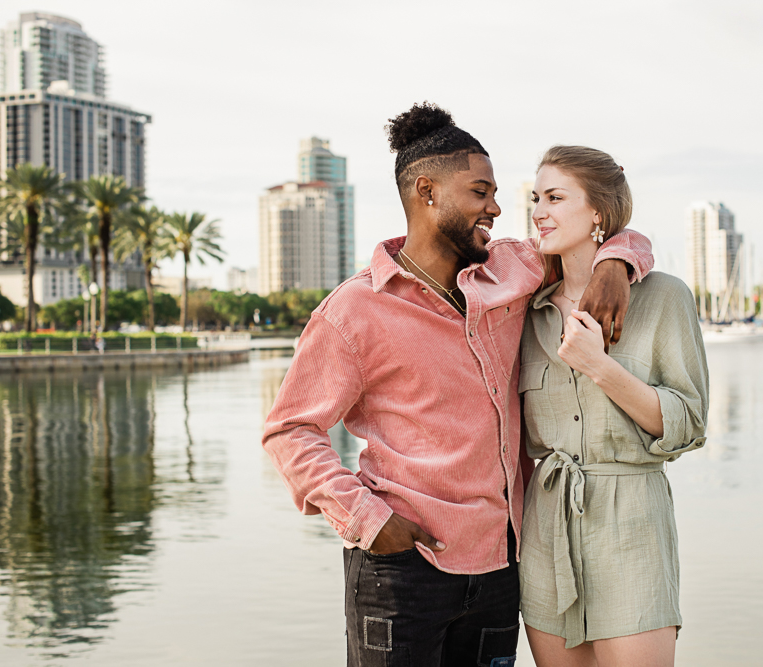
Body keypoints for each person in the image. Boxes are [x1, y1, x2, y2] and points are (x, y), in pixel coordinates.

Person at [262, 104, 654, 666]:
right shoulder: (354, 312)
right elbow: (290, 431)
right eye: (480, 192)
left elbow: (613, 231)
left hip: (501, 570)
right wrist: (369, 521)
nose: (496, 208)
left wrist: (615, 267)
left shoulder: (513, 272)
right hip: (401, 573)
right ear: (427, 192)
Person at [517, 146, 709, 667]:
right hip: (546, 531)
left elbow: (690, 424)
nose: (539, 210)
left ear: (598, 212)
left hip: (632, 528)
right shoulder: (522, 308)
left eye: (556, 197)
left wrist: (601, 366)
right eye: (536, 198)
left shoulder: (665, 297)